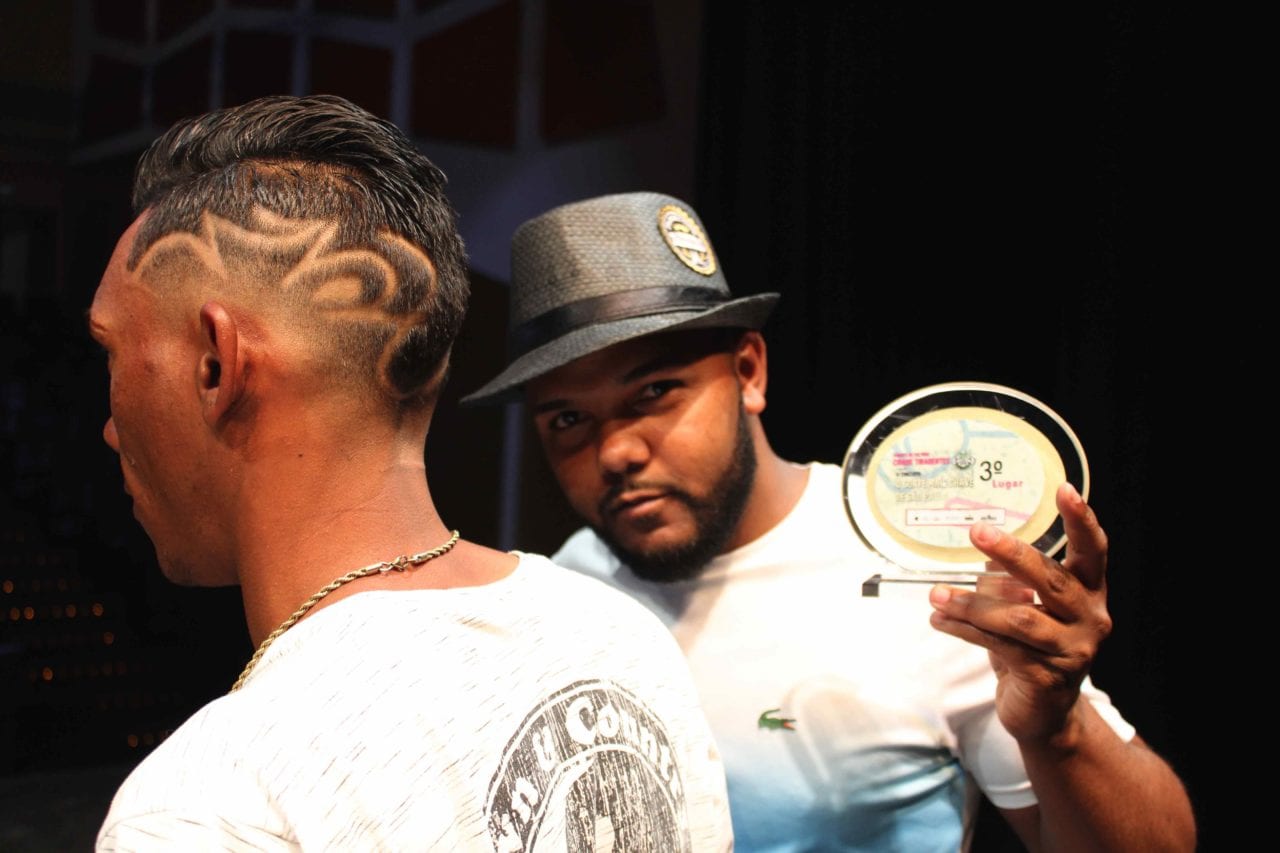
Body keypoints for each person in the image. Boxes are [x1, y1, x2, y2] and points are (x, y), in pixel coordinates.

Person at [463, 191, 1195, 851]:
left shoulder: (916, 574)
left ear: (749, 372)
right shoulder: (565, 594)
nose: (615, 451)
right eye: (567, 419)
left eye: (654, 391)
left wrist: (1059, 729)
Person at [90, 100, 731, 851]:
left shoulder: (207, 809)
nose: (109, 426)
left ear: (215, 365)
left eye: (112, 353)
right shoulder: (622, 638)